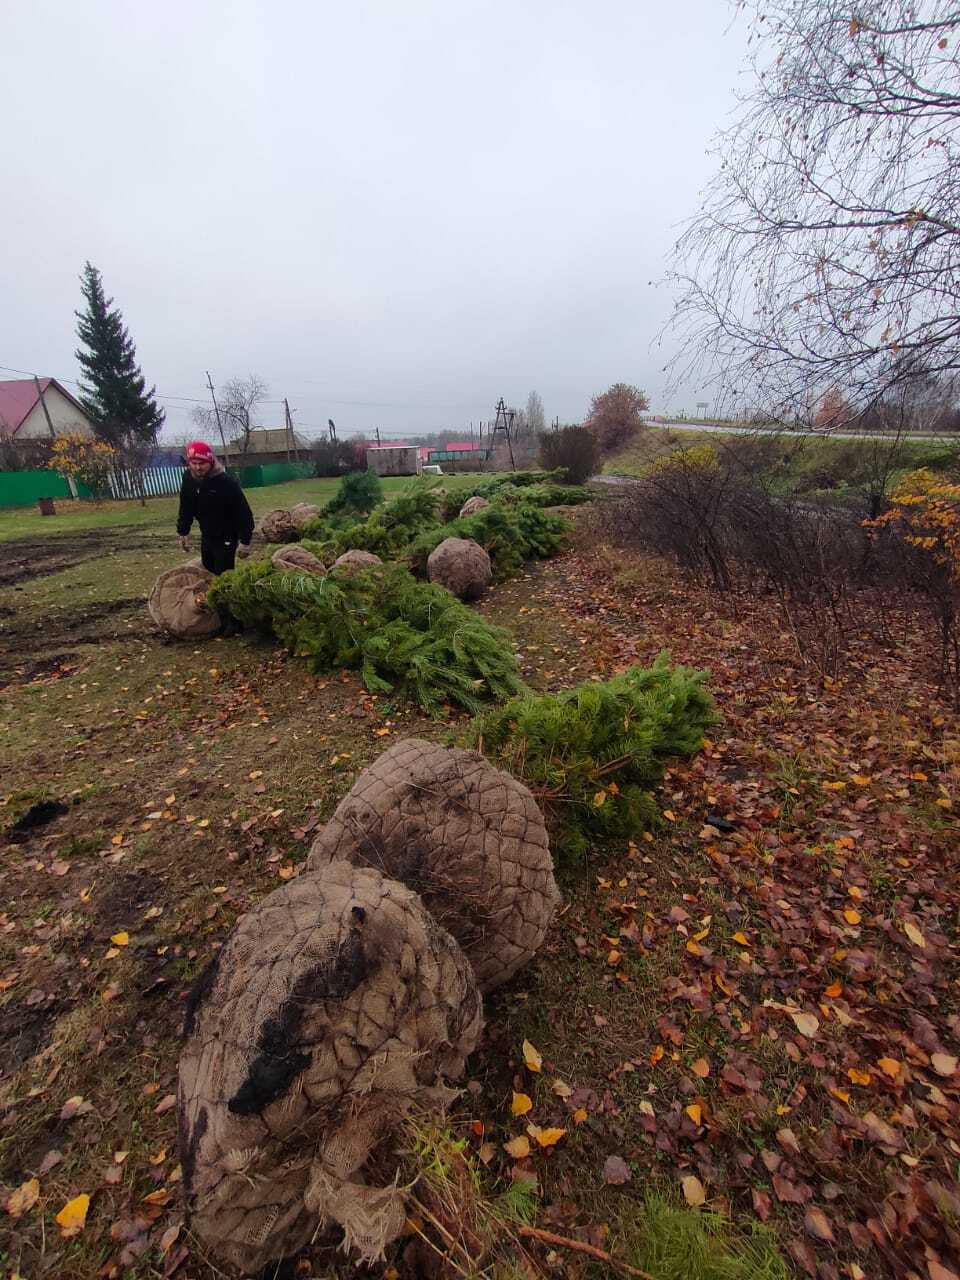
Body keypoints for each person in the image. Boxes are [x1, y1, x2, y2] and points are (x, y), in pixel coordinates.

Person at [176, 441, 255, 574]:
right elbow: (186, 506)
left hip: (227, 535)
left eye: (202, 464)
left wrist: (245, 541)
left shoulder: (226, 483)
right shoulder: (189, 479)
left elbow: (243, 512)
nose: (198, 468)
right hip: (207, 534)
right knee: (208, 568)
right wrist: (183, 531)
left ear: (211, 462)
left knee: (223, 574)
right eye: (194, 464)